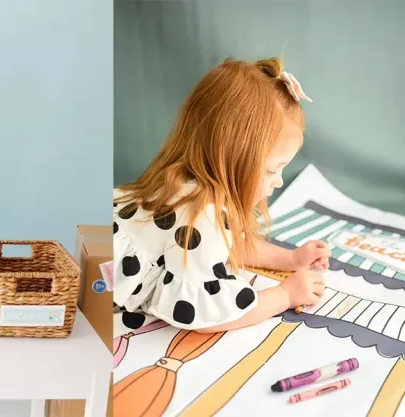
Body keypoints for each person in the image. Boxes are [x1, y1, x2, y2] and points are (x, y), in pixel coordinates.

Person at [113, 57, 330, 335]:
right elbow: (208, 313)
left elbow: (229, 247)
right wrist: (285, 295)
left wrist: (291, 260)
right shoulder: (201, 214)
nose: (278, 181)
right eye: (271, 170)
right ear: (233, 160)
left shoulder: (183, 180)